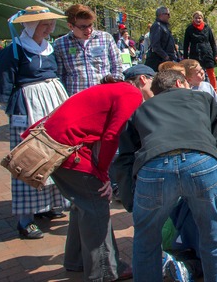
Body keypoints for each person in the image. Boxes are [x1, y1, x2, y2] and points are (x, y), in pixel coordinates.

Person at [22, 75, 144, 281]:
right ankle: (105, 271)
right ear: (143, 80)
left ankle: (76, 259)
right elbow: (112, 135)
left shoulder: (111, 90)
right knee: (96, 204)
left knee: (83, 205)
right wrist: (104, 174)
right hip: (67, 150)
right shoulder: (131, 93)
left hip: (55, 147)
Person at [114, 70, 217, 282]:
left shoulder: (141, 110)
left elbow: (125, 156)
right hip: (202, 162)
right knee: (213, 237)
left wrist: (131, 199)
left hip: (155, 166)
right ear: (180, 82)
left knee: (146, 241)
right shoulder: (204, 99)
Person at [0, 6, 70, 239]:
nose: (48, 28)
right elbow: (3, 82)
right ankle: (25, 218)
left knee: (55, 154)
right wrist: (8, 109)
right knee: (28, 157)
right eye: (43, 24)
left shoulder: (50, 49)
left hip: (53, 101)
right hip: (28, 105)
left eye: (49, 24)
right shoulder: (14, 50)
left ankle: (48, 206)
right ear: (30, 26)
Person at [54, 4, 123, 96]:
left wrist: (114, 87)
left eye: (90, 25)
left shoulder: (105, 38)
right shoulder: (60, 44)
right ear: (70, 26)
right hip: (77, 98)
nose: (88, 30)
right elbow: (60, 75)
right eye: (83, 27)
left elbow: (117, 65)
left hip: (104, 95)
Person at [183, 11, 217, 91]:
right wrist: (185, 58)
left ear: (202, 19)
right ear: (193, 19)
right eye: (196, 18)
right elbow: (186, 44)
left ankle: (214, 90)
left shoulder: (207, 28)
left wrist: (215, 54)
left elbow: (212, 42)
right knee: (195, 73)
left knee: (211, 73)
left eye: (199, 18)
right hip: (195, 53)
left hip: (207, 52)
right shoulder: (189, 29)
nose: (198, 20)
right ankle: (197, 89)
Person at [144, 6, 178, 71]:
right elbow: (155, 45)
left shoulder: (164, 26)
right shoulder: (157, 26)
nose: (169, 16)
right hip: (158, 61)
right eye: (167, 14)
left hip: (165, 59)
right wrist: (166, 56)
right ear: (160, 15)